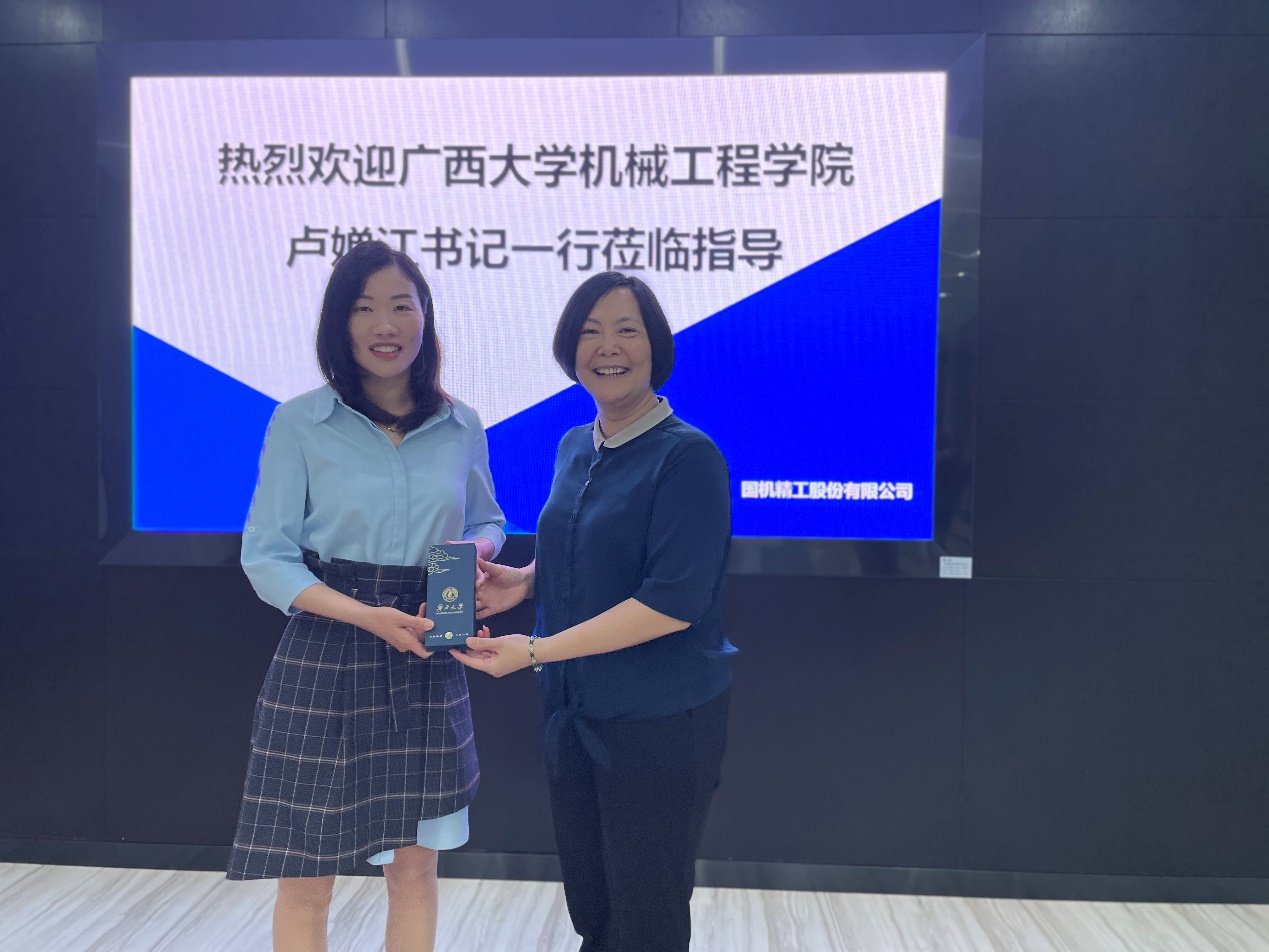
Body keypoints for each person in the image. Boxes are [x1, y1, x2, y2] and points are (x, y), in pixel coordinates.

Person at [226, 240, 505, 952]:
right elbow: (266, 556)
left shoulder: (461, 424)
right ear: (339, 324)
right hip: (327, 647)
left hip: (426, 644)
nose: (385, 325)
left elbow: (486, 521)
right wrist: (364, 616)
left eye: (401, 306)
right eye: (364, 307)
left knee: (415, 872)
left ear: (425, 318)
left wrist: (473, 555)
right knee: (306, 876)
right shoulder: (300, 422)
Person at [455, 272, 736, 952]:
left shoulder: (688, 457)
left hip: (659, 722)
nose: (607, 347)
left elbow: (671, 601)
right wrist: (524, 583)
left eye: (626, 330)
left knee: (646, 912)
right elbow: (586, 550)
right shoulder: (574, 446)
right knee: (594, 902)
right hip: (575, 715)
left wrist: (534, 650)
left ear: (655, 347)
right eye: (589, 332)